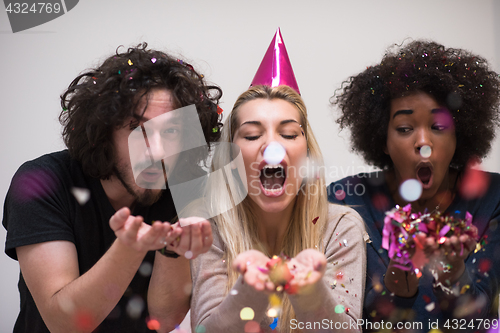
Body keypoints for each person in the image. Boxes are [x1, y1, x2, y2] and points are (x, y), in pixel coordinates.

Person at [2, 43, 220, 332]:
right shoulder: (43, 182)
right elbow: (64, 323)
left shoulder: (186, 188)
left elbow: (164, 320)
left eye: (170, 131)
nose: (155, 150)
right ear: (104, 132)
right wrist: (130, 248)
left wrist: (173, 250)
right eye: (135, 128)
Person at [328, 40, 500, 332]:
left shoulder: (490, 196)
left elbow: (482, 323)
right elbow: (340, 321)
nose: (423, 143)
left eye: (438, 127)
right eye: (406, 128)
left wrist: (454, 275)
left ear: (459, 134)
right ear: (383, 139)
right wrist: (395, 292)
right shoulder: (346, 200)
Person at [186, 84, 367, 333]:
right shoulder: (208, 230)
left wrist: (309, 292)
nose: (272, 148)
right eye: (251, 135)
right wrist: (250, 290)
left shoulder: (340, 226)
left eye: (290, 134)